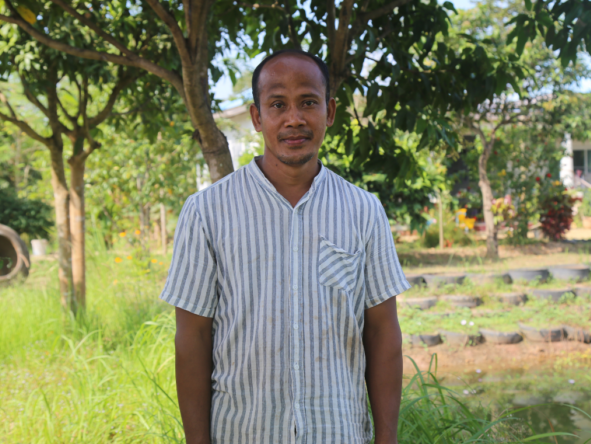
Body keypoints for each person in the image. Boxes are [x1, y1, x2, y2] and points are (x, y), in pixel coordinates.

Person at [161, 49, 409, 444]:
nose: (294, 118)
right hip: (241, 433)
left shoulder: (364, 210)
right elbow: (192, 338)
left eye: (308, 102)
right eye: (278, 104)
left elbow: (382, 333)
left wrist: (387, 439)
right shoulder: (206, 212)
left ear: (329, 112)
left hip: (338, 433)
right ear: (258, 117)